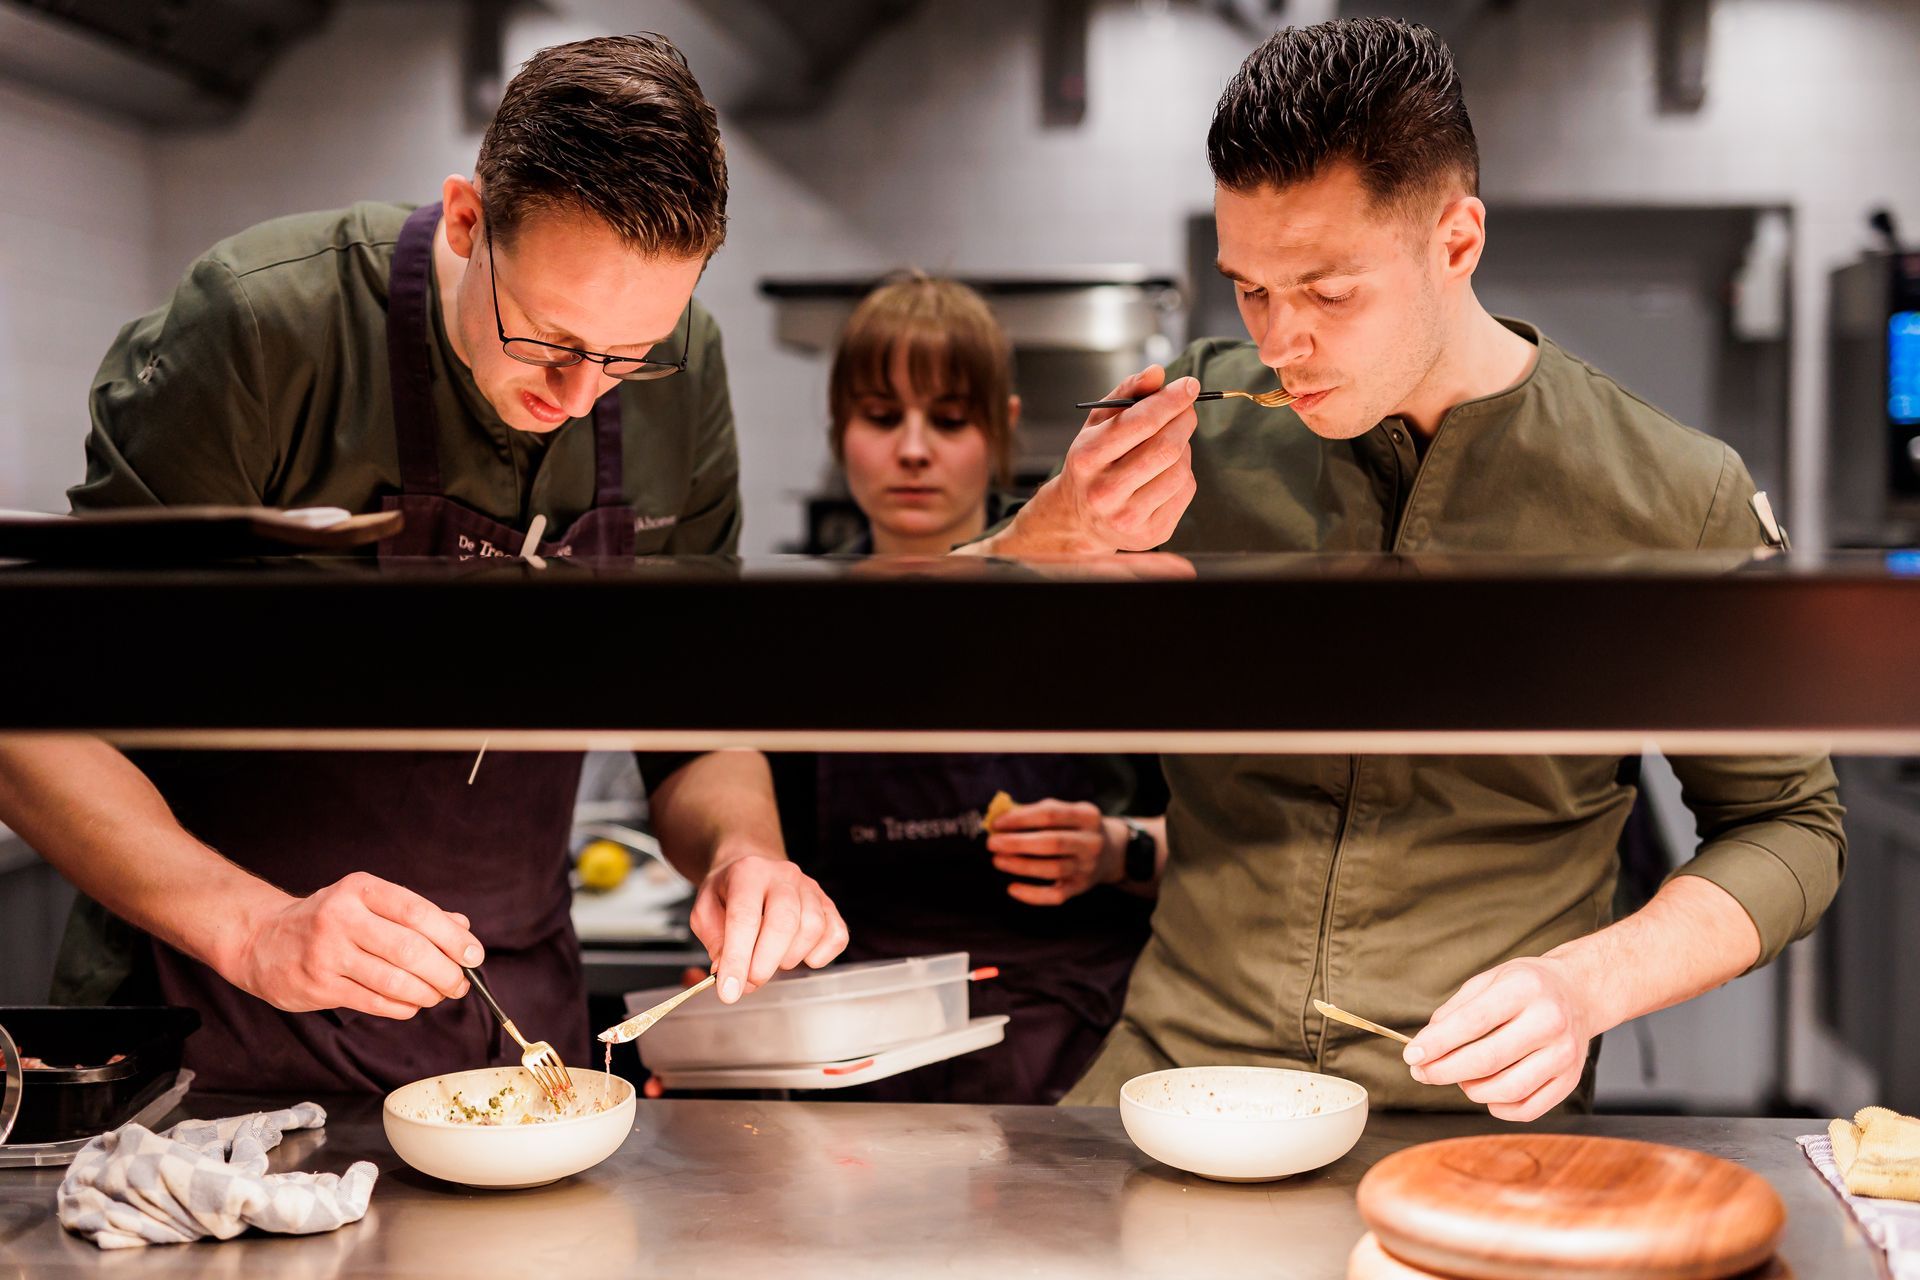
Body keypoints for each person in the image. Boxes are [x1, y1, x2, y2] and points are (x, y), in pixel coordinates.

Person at [966, 18, 1845, 1120]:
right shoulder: (1189, 432)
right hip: (1177, 1081)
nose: (1280, 342)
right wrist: (1039, 536)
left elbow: (1791, 827)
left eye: (1329, 293)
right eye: (1250, 288)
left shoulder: (1676, 491)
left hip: (1464, 1102)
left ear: (1457, 241)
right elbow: (920, 650)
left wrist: (1585, 986)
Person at [0, 34, 845, 1093]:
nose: (584, 394)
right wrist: (256, 927)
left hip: (508, 1054)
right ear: (464, 218)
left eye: (628, 358)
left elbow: (693, 715)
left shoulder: (688, 369)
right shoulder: (264, 329)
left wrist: (740, 854)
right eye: (548, 339)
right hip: (209, 1041)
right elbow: (27, 715)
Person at [749, 275, 1166, 1103]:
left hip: (1065, 1051)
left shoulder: (1094, 608)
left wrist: (1115, 849)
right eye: (880, 417)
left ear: (1002, 431)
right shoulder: (793, 630)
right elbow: (761, 857)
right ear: (839, 430)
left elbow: (1206, 839)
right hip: (859, 1052)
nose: (913, 449)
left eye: (948, 420)